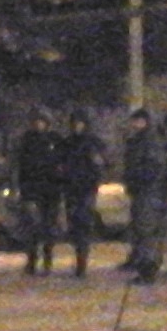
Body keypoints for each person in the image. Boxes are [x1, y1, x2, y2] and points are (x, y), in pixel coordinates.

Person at [12, 109, 65, 276]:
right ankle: (32, 260)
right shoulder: (27, 140)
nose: (39, 124)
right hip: (32, 189)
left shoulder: (54, 140)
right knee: (32, 226)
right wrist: (20, 188)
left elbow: (61, 164)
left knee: (49, 227)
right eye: (36, 121)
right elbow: (20, 165)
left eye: (42, 121)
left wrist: (60, 184)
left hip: (51, 190)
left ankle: (47, 260)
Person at [58, 109, 107, 278]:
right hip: (71, 189)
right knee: (75, 226)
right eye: (75, 123)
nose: (77, 126)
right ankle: (79, 259)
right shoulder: (67, 143)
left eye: (80, 123)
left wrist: (94, 182)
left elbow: (100, 165)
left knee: (84, 225)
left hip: (86, 189)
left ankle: (82, 263)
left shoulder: (92, 143)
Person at [123, 108, 167, 284]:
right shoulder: (139, 141)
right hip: (142, 190)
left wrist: (138, 180)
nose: (135, 124)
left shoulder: (149, 142)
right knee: (142, 231)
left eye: (138, 121)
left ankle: (148, 270)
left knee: (146, 231)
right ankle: (145, 268)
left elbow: (152, 167)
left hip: (148, 191)